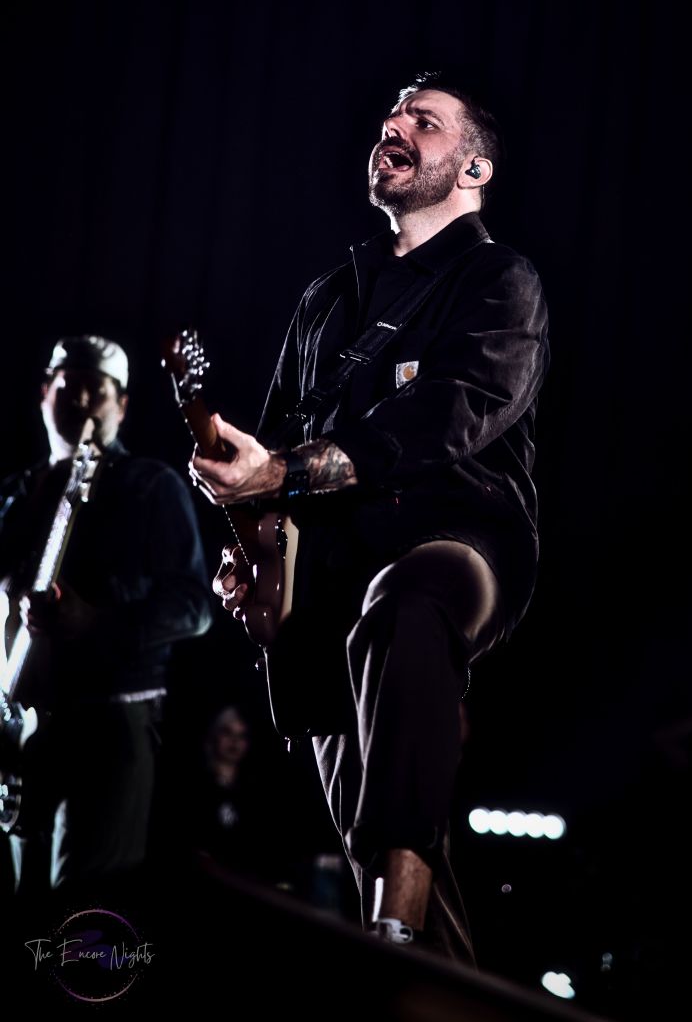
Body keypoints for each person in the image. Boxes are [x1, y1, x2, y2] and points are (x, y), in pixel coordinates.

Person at [190, 73, 549, 962]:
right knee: (369, 829)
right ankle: (425, 967)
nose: (395, 126)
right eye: (392, 116)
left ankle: (394, 927)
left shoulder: (498, 278)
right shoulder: (328, 296)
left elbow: (452, 413)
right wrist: (250, 548)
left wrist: (282, 470)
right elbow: (273, 451)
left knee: (405, 606)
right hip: (327, 581)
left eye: (424, 121)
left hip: (455, 541)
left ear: (474, 168)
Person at [0, 335, 212, 895]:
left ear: (123, 405)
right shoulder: (14, 497)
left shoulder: (150, 486)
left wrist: (95, 621)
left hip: (108, 724)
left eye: (98, 390)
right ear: (44, 393)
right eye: (69, 386)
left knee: (83, 910)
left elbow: (193, 607)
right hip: (19, 726)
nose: (82, 400)